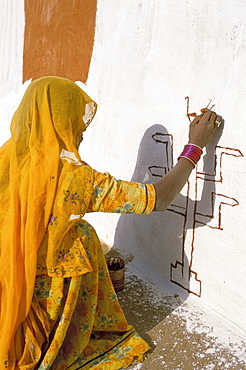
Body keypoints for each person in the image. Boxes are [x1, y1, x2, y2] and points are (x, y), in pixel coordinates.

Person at [0, 76, 221, 369]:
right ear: (60, 119)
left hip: (10, 286)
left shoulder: (7, 157)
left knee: (76, 230)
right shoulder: (74, 178)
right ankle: (62, 325)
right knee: (84, 236)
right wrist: (195, 147)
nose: (80, 130)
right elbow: (159, 198)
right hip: (42, 298)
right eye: (76, 120)